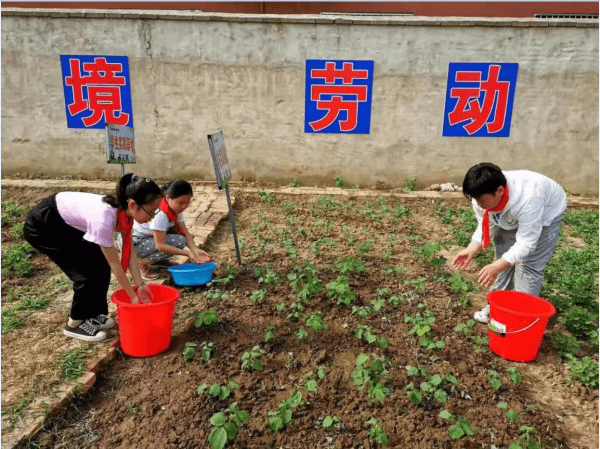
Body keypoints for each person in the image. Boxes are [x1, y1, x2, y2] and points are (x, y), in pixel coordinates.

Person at [24, 174, 163, 342]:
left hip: (66, 223)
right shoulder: (104, 219)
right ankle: (74, 324)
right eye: (152, 210)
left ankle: (94, 315)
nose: (153, 216)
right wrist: (132, 297)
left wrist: (140, 285)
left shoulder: (124, 214)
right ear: (133, 205)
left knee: (100, 265)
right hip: (44, 226)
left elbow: (131, 252)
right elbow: (115, 265)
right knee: (85, 274)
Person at [452, 163, 567, 323]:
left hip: (547, 214)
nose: (478, 204)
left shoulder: (529, 198)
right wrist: (473, 247)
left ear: (500, 190)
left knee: (528, 266)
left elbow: (527, 243)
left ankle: (520, 317)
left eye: (481, 200)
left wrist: (498, 265)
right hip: (512, 213)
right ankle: (496, 308)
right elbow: (486, 224)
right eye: (475, 200)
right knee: (502, 257)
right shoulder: (480, 196)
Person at [132, 179, 210, 279]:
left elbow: (184, 232)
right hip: (135, 244)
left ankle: (158, 261)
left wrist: (195, 249)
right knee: (178, 242)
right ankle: (141, 264)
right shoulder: (160, 214)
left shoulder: (174, 209)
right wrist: (188, 253)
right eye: (181, 203)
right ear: (168, 198)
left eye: (187, 202)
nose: (184, 206)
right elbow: (160, 246)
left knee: (180, 238)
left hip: (147, 240)